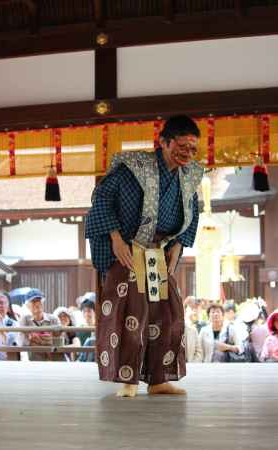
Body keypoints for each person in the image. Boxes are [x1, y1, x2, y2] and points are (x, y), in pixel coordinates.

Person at [86, 115, 204, 397]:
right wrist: (115, 238)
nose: (187, 153)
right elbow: (101, 198)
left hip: (159, 252)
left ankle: (158, 379)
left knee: (167, 313)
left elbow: (193, 212)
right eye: (182, 145)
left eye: (193, 148)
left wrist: (178, 245)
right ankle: (128, 380)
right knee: (131, 313)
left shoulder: (188, 178)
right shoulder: (135, 167)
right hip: (128, 248)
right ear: (163, 142)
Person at [17, 289, 64, 361]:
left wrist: (35, 340)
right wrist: (45, 342)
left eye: (39, 300)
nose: (37, 304)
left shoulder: (53, 319)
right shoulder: (25, 319)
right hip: (33, 362)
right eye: (33, 301)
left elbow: (59, 342)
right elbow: (22, 342)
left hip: (53, 361)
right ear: (27, 305)